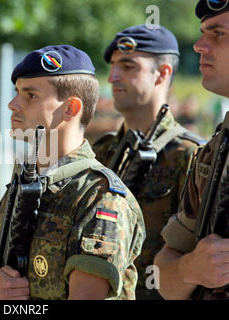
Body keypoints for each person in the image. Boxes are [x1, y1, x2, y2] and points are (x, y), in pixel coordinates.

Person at [0, 45, 145, 300]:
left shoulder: (100, 196)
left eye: (30, 95)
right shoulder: (24, 184)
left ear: (71, 109)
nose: (12, 104)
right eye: (17, 92)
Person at [92, 25, 206, 299]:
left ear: (162, 73)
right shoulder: (103, 152)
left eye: (128, 66)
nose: (113, 77)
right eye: (113, 66)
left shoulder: (190, 155)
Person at [154, 0, 229, 300]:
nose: (199, 45)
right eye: (202, 33)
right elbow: (161, 272)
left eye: (217, 34)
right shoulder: (215, 150)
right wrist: (191, 269)